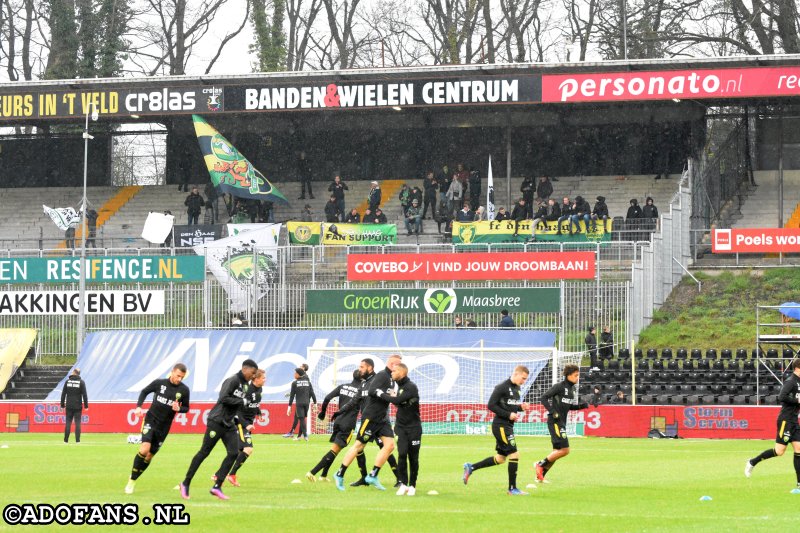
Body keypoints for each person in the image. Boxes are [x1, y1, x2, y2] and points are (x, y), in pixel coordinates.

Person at [180, 359, 258, 501]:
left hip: (228, 423)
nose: (253, 376)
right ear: (245, 369)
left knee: (233, 453)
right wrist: (242, 402)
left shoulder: (246, 386)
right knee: (204, 452)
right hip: (216, 420)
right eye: (252, 373)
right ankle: (185, 483)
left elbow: (238, 405)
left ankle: (217, 486)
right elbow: (223, 398)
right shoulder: (232, 380)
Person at [334, 355, 402, 491]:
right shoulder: (382, 375)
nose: (399, 368)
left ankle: (372, 475)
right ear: (392, 364)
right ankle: (339, 474)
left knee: (390, 446)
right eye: (398, 365)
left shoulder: (392, 379)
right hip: (370, 418)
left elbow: (391, 396)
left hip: (382, 419)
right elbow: (372, 391)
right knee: (359, 446)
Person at [463, 365, 531, 495]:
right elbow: (491, 405)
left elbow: (510, 406)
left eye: (525, 379)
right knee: (514, 455)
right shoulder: (501, 387)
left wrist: (521, 408)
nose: (524, 381)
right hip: (501, 426)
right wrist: (508, 415)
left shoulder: (517, 388)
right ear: (516, 374)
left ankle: (471, 467)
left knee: (500, 458)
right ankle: (512, 489)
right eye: (523, 378)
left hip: (508, 425)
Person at [125, 363, 190, 494]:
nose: (179, 379)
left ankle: (134, 477)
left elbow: (186, 408)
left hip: (164, 427)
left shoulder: (184, 390)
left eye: (182, 377)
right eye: (178, 376)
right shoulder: (160, 384)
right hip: (151, 420)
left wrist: (179, 409)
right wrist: (138, 407)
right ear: (172, 372)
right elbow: (144, 391)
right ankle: (131, 481)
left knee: (149, 456)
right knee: (144, 449)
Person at [745, 359, 800, 491]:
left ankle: (799, 483)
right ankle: (752, 462)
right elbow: (782, 396)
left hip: (794, 421)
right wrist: (797, 400)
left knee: (799, 450)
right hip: (785, 421)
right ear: (798, 368)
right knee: (779, 451)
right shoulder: (791, 381)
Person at [534, 364, 590, 483]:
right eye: (575, 375)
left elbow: (569, 407)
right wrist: (552, 411)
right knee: (565, 450)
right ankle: (540, 464)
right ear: (568, 375)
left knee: (556, 452)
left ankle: (540, 476)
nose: (577, 378)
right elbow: (544, 398)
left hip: (561, 422)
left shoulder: (571, 390)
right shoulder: (559, 387)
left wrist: (581, 406)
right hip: (555, 421)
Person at [307, 369, 364, 482]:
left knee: (335, 450)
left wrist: (323, 412)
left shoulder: (343, 386)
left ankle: (323, 475)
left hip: (338, 420)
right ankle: (312, 472)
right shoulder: (361, 391)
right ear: (363, 379)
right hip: (348, 424)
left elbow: (327, 397)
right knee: (335, 450)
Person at [378, 363, 422, 496]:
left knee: (413, 457)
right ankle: (403, 484)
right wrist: (396, 399)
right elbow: (398, 401)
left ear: (402, 372)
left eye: (395, 370)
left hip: (414, 428)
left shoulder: (411, 387)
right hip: (401, 427)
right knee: (402, 454)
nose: (391, 372)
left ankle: (412, 485)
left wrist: (380, 394)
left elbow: (397, 400)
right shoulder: (399, 386)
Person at [225, 368, 266, 487]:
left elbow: (255, 403)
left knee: (237, 452)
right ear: (256, 379)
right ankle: (231, 475)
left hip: (247, 422)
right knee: (248, 449)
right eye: (263, 377)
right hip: (239, 422)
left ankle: (219, 475)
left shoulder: (260, 389)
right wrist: (245, 424)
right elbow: (236, 410)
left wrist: (259, 414)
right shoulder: (247, 391)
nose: (265, 379)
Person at [285, 368, 317, 441]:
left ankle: (305, 435)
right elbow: (312, 393)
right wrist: (315, 403)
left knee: (301, 419)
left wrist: (289, 407)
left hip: (299, 403)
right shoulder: (308, 382)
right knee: (302, 419)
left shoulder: (294, 383)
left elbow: (292, 396)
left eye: (295, 373)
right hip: (307, 403)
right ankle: (300, 436)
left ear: (298, 374)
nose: (294, 374)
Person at [60, 368, 88, 444]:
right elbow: (84, 395)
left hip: (69, 405)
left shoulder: (67, 382)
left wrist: (62, 405)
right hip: (78, 406)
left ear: (74, 372)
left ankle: (65, 441)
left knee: (68, 423)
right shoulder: (81, 382)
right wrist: (86, 406)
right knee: (78, 423)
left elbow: (63, 394)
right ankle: (77, 441)